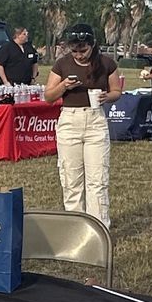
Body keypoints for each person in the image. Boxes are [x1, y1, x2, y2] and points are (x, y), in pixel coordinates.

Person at [47, 23, 123, 226]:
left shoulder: (106, 63)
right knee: (71, 180)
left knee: (97, 180)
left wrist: (108, 96)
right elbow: (48, 96)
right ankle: (75, 227)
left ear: (93, 45)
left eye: (83, 50)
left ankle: (99, 228)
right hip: (70, 121)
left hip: (96, 121)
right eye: (74, 51)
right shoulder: (62, 65)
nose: (79, 55)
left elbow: (117, 91)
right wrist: (63, 86)